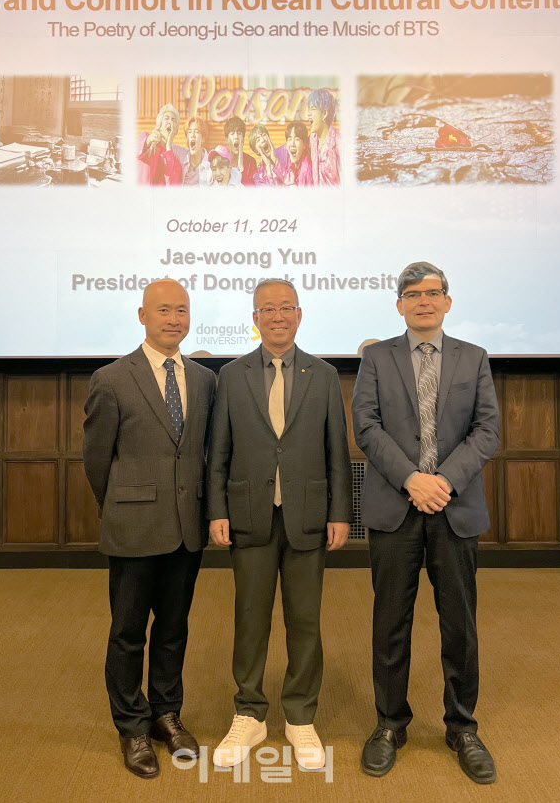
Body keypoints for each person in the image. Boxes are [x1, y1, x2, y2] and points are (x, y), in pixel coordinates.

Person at [351, 261, 500, 785]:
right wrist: (413, 478)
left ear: (447, 301)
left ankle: (462, 726)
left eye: (432, 292)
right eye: (412, 294)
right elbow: (366, 426)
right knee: (390, 623)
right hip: (396, 505)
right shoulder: (377, 358)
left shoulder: (474, 358)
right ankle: (390, 723)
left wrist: (443, 483)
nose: (423, 301)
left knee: (459, 624)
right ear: (399, 304)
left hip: (454, 509)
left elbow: (487, 431)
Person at [208, 279, 353, 771]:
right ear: (254, 317)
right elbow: (219, 452)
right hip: (248, 514)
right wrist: (216, 509)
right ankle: (249, 713)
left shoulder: (325, 374)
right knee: (249, 617)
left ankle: (299, 714)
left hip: (309, 516)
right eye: (266, 309)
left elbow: (337, 449)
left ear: (299, 314)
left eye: (285, 307)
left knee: (304, 620)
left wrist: (340, 513)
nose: (276, 316)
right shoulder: (231, 375)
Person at [83, 279, 216, 780]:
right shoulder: (112, 378)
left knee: (174, 628)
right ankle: (132, 726)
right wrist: (118, 508)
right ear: (142, 315)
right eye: (164, 310)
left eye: (182, 310)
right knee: (128, 632)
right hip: (134, 527)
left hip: (187, 529)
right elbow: (97, 462)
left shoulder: (205, 379)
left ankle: (165, 714)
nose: (174, 319)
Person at [137, 104, 189, 185]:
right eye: (166, 118)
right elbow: (137, 153)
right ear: (159, 125)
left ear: (176, 131)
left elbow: (171, 186)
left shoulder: (176, 165)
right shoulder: (145, 141)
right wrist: (148, 141)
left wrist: (168, 146)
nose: (170, 122)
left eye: (173, 120)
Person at [306, 88, 340, 186]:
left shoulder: (340, 143)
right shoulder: (311, 141)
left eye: (313, 109)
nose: (308, 113)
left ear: (324, 114)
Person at [275, 121, 313, 186]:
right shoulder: (293, 165)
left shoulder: (306, 169)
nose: (292, 144)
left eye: (297, 139)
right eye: (289, 139)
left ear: (304, 144)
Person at [223, 116, 256, 185]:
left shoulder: (251, 162)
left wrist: (241, 169)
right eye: (232, 133)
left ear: (243, 139)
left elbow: (251, 190)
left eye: (239, 133)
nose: (236, 137)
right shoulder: (221, 161)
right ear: (226, 139)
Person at [183, 116, 212, 186]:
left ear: (203, 139)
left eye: (196, 132)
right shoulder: (181, 158)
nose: (192, 135)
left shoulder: (211, 164)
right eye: (189, 132)